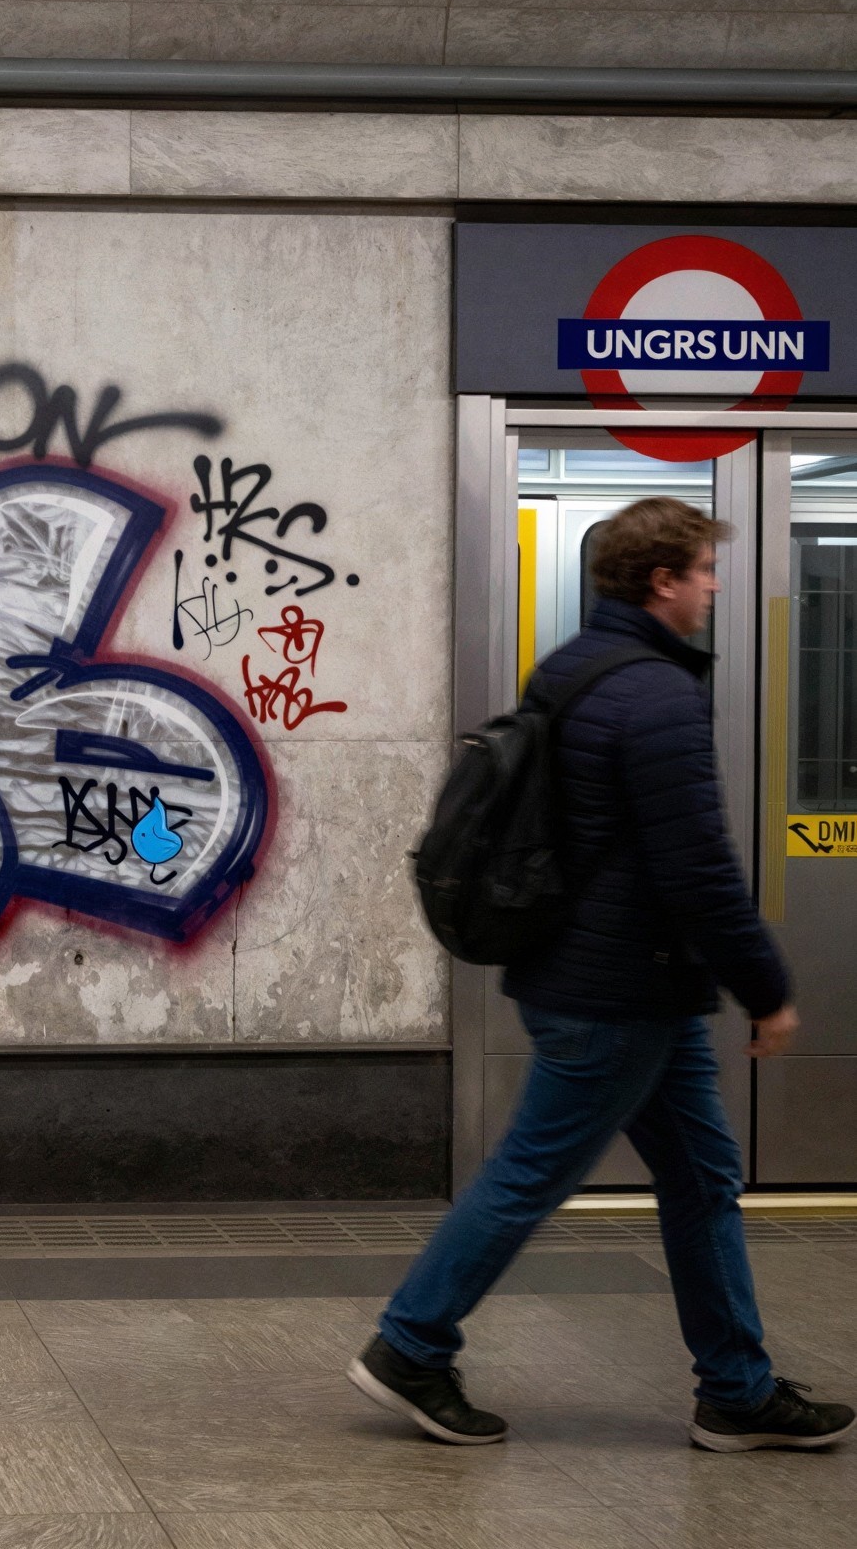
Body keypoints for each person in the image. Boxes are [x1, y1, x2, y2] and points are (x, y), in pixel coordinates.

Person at [351, 497, 853, 1453]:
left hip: (612, 982)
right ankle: (409, 1344)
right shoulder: (653, 694)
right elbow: (694, 863)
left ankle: (736, 1390)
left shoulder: (576, 668)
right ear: (662, 580)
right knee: (531, 1174)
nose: (713, 588)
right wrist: (767, 987)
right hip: (614, 989)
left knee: (702, 1176)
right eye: (704, 571)